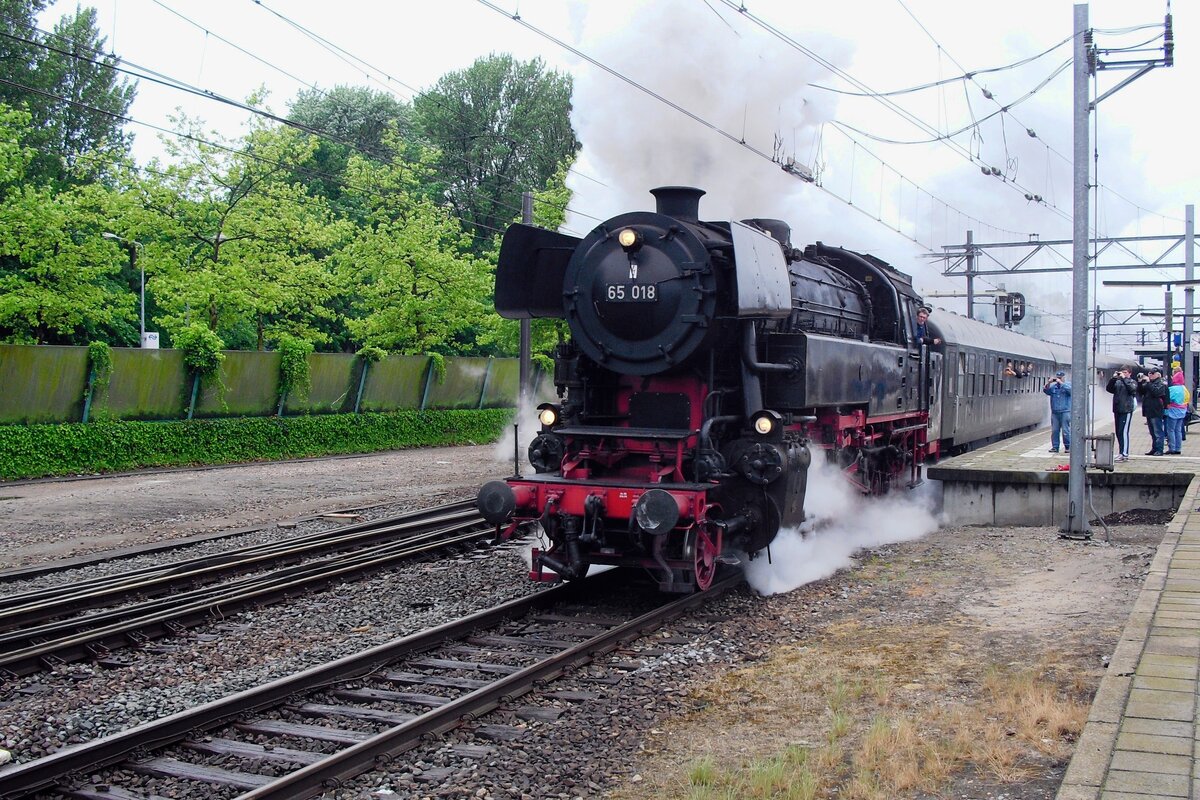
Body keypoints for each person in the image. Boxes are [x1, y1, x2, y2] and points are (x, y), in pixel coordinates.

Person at [1106, 366, 1138, 462]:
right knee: (1119, 432)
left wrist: (1124, 379)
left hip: (1126, 409)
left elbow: (1132, 390)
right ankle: (1121, 453)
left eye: (1125, 372)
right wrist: (1113, 379)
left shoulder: (1132, 382)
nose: (1123, 374)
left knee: (1124, 432)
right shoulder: (1118, 382)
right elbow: (1109, 389)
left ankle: (1124, 453)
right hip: (1117, 409)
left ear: (1129, 373)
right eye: (1122, 372)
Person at [1137, 367, 1169, 456]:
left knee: (1158, 431)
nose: (1150, 375)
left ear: (1158, 375)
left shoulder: (1161, 384)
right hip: (1149, 410)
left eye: (1152, 373)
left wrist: (1148, 383)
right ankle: (1154, 448)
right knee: (1152, 432)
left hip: (1156, 410)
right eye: (1149, 373)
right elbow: (1140, 392)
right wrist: (1140, 382)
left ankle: (1159, 449)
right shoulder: (1149, 384)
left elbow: (1157, 392)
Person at [1043, 370, 1071, 453]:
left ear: (1063, 377)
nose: (1058, 379)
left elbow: (1071, 391)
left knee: (1066, 431)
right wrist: (1048, 383)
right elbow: (1046, 391)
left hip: (1065, 411)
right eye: (1057, 377)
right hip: (1055, 412)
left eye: (1060, 377)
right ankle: (1055, 447)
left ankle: (1068, 447)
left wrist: (1062, 383)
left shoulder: (1067, 385)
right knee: (1055, 430)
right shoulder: (1053, 387)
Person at [1166, 370, 1188, 454]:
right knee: (1178, 430)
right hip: (1182, 411)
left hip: (1173, 411)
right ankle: (1178, 448)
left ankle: (1172, 448)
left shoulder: (1172, 389)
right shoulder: (1184, 389)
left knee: (1171, 430)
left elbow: (1168, 399)